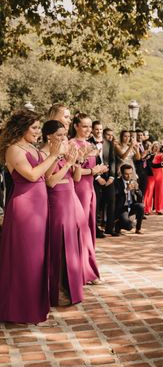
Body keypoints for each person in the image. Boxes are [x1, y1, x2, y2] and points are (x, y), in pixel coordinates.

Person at [0, 111, 62, 324]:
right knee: (24, 259)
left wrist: (63, 157)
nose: (38, 132)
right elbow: (32, 175)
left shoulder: (32, 148)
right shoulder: (13, 150)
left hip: (39, 207)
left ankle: (33, 307)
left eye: (38, 128)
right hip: (24, 209)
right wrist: (53, 155)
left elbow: (46, 175)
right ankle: (17, 310)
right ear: (22, 127)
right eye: (34, 128)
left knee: (37, 260)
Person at [42, 120, 92, 306]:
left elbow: (76, 178)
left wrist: (77, 161)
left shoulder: (63, 152)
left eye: (64, 135)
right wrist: (67, 163)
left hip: (70, 198)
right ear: (48, 136)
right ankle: (58, 292)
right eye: (59, 135)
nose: (64, 138)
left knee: (71, 244)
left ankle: (72, 290)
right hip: (57, 202)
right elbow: (50, 182)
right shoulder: (46, 153)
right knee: (59, 245)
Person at [70, 114, 106, 281]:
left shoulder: (91, 145)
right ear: (76, 126)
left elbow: (93, 168)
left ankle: (88, 267)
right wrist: (93, 171)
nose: (88, 130)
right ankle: (83, 270)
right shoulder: (70, 144)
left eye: (90, 127)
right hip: (77, 189)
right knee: (81, 229)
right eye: (84, 126)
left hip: (90, 189)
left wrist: (99, 171)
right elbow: (72, 172)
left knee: (90, 227)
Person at [89, 121, 116, 238]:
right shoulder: (88, 143)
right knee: (96, 203)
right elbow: (88, 163)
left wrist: (111, 176)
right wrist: (97, 177)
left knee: (111, 200)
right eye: (96, 129)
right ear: (92, 130)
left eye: (100, 129)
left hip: (108, 177)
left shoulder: (109, 143)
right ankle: (96, 229)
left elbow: (112, 160)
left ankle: (110, 228)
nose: (99, 131)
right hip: (94, 177)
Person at [115, 164, 145, 234]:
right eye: (126, 174)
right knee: (129, 226)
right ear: (122, 174)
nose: (129, 176)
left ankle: (138, 229)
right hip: (122, 208)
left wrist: (137, 190)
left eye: (130, 174)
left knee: (141, 206)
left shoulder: (133, 181)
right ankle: (118, 224)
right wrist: (126, 190)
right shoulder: (117, 182)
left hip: (131, 205)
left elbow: (140, 198)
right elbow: (116, 195)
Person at [144, 143, 163, 215]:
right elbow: (147, 163)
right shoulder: (149, 155)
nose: (156, 148)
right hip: (150, 174)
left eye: (158, 147)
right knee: (149, 191)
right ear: (152, 147)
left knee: (160, 191)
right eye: (155, 147)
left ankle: (160, 209)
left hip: (159, 174)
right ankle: (147, 209)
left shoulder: (161, 155)